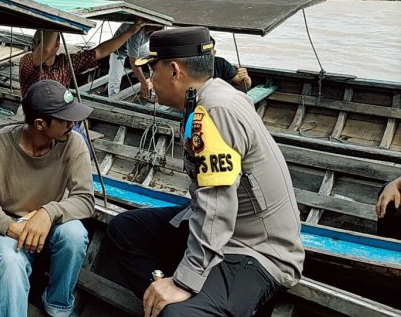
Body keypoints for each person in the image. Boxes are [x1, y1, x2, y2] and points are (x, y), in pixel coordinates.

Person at [105, 26, 304, 317]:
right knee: (124, 230)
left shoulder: (214, 110)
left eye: (153, 70)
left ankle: (176, 301)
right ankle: (161, 297)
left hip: (257, 249)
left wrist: (186, 280)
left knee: (178, 315)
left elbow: (217, 203)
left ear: (174, 71)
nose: (150, 79)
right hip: (226, 226)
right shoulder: (209, 95)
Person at [0, 79, 95, 317]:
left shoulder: (74, 142)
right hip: (10, 224)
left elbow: (85, 199)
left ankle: (58, 306)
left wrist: (48, 212)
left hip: (50, 224)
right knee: (11, 262)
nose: (72, 124)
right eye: (65, 120)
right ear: (40, 124)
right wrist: (10, 227)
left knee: (75, 235)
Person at [19, 18, 150, 98]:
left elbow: (100, 51)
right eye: (34, 43)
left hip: (59, 113)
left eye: (38, 42)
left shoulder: (66, 62)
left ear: (57, 45)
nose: (33, 47)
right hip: (36, 116)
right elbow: (46, 50)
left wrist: (132, 30)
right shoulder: (27, 61)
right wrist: (57, 18)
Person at [108, 22, 163, 98]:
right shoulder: (137, 34)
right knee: (115, 80)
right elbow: (133, 61)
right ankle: (112, 98)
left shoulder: (153, 32)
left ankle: (153, 91)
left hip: (137, 47)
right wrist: (143, 82)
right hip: (119, 50)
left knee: (156, 57)